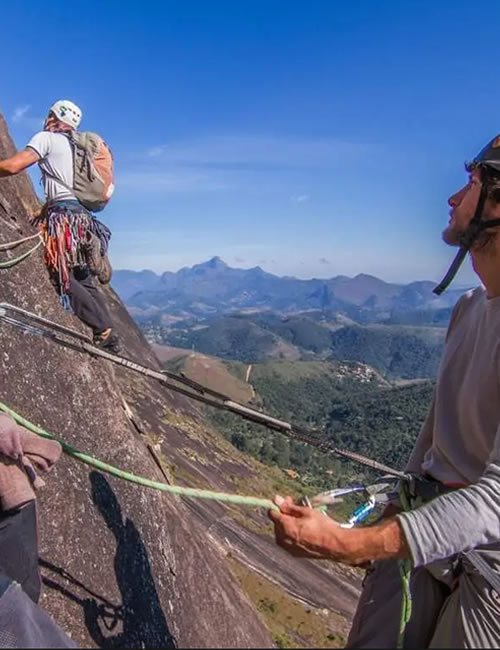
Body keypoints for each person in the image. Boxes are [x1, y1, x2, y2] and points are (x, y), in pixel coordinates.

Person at [269, 133, 500, 648]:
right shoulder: (469, 309)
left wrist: (350, 544)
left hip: (489, 576)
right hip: (424, 534)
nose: (453, 198)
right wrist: (394, 514)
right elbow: (434, 439)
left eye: (472, 183)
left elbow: (496, 502)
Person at [0, 100, 120, 354]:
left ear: (52, 116)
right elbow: (64, 185)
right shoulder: (74, 147)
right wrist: (42, 211)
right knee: (82, 277)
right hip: (82, 219)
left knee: (62, 276)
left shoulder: (47, 138)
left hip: (64, 220)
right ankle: (107, 330)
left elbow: (13, 166)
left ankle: (102, 329)